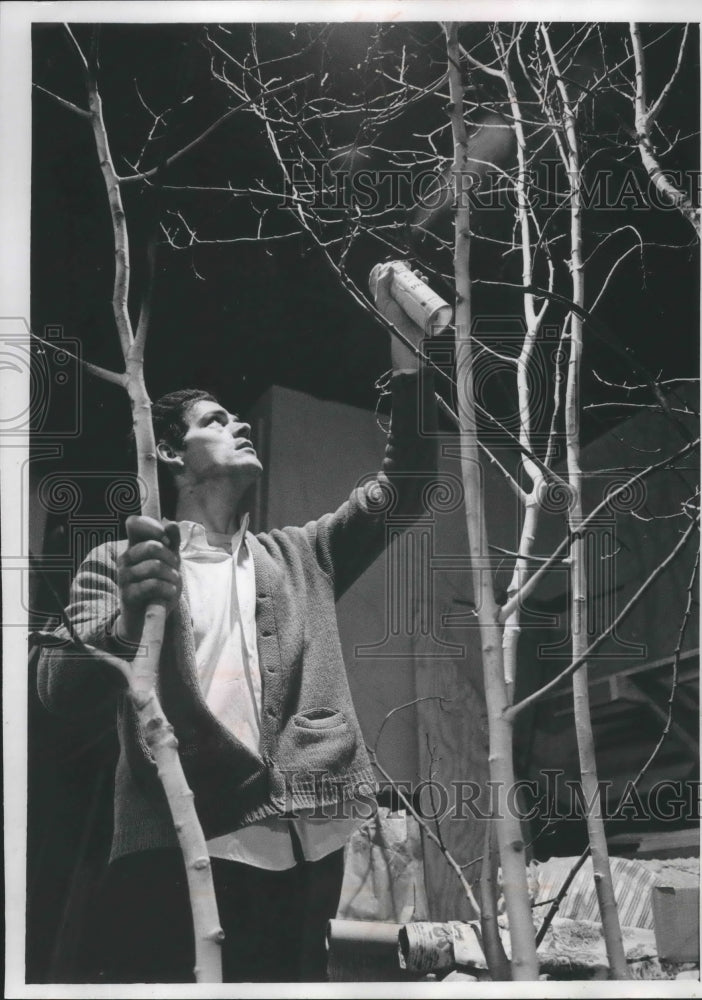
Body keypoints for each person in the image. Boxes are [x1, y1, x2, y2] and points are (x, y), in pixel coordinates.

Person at [36, 267, 438, 984]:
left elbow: (406, 486)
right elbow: (59, 696)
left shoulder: (300, 553)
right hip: (189, 837)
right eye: (215, 421)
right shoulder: (125, 558)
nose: (240, 423)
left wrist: (407, 359)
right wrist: (128, 619)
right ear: (168, 451)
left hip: (312, 836)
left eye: (236, 416)